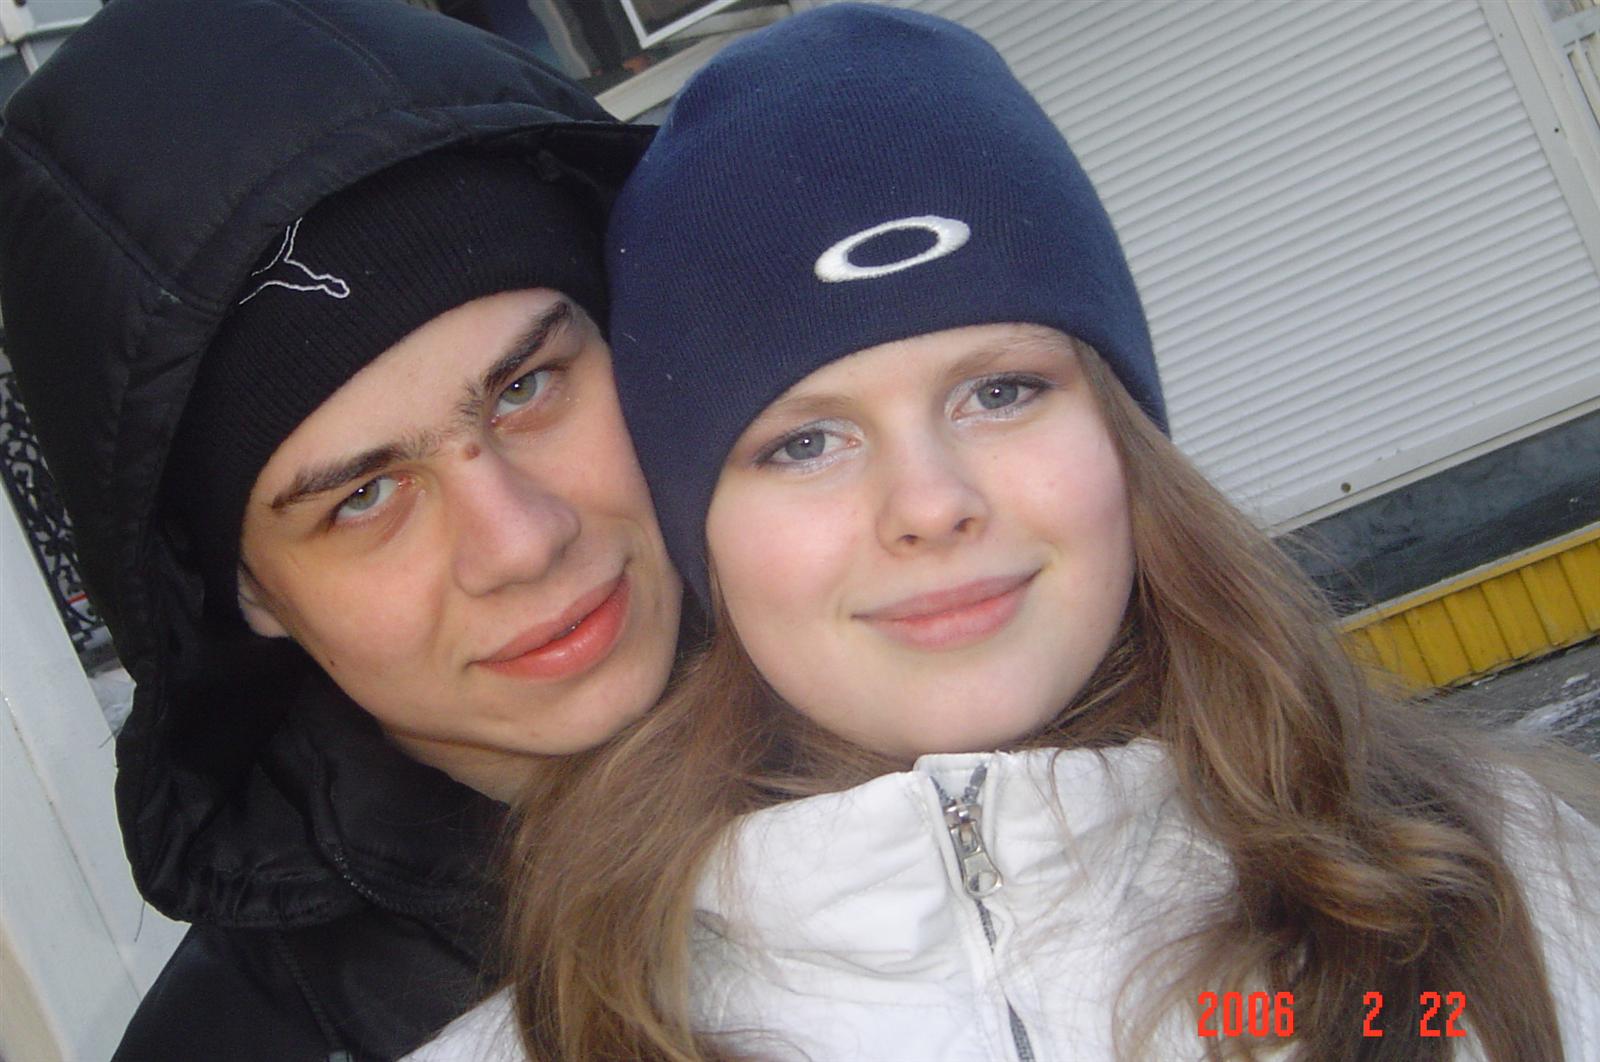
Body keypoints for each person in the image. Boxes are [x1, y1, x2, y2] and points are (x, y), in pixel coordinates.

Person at [411, 5, 1600, 1061]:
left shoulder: (1514, 901)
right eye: (804, 442)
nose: (930, 504)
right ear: (698, 536)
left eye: (1000, 390)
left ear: (1123, 436)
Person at [0, 0, 682, 1058]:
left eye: (526, 388)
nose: (521, 542)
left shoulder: (934, 675)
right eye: (362, 497)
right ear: (250, 590)